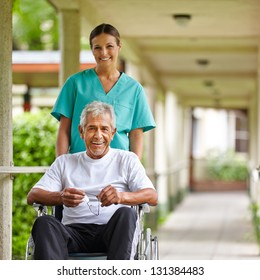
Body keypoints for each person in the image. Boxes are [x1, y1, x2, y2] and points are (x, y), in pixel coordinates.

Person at [27, 101, 158, 260]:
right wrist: (60, 197)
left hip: (112, 233)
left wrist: (121, 197)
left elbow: (152, 196)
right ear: (81, 132)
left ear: (113, 133)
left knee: (127, 213)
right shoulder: (64, 162)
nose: (98, 135)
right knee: (44, 223)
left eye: (104, 129)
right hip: (73, 233)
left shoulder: (127, 160)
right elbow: (33, 195)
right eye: (91, 128)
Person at [51, 23, 156, 159]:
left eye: (109, 46)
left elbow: (136, 135)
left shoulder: (134, 89)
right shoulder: (75, 83)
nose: (104, 53)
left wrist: (133, 170)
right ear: (92, 50)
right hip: (79, 166)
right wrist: (61, 166)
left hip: (118, 168)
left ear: (119, 46)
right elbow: (64, 130)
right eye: (98, 48)